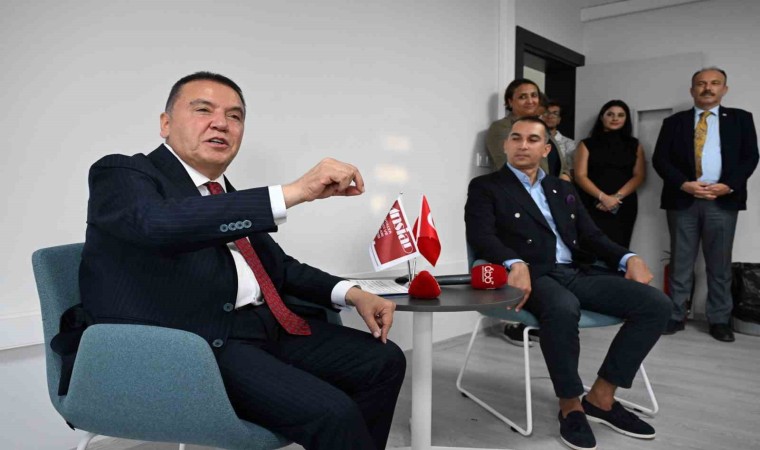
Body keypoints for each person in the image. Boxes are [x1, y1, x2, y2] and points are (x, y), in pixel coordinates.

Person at [77, 72, 406, 450]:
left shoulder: (222, 194)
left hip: (266, 327)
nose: (221, 123)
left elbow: (278, 268)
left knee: (384, 361)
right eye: (203, 110)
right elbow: (159, 224)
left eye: (234, 116)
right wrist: (295, 192)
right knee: (333, 412)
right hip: (196, 344)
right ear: (165, 124)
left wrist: (352, 293)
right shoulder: (121, 174)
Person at [466, 117, 670, 450]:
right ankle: (570, 406)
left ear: (546, 149)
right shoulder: (486, 187)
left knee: (656, 304)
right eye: (516, 138)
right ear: (505, 145)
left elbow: (591, 236)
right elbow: (481, 236)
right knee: (563, 308)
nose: (522, 145)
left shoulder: (562, 189)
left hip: (575, 272)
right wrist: (513, 262)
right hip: (532, 275)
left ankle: (601, 398)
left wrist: (628, 257)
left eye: (533, 139)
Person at [653, 67, 759, 342]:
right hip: (683, 199)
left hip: (722, 200)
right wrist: (683, 184)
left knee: (719, 264)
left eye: (715, 83)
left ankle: (719, 319)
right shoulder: (674, 122)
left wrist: (729, 185)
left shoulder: (741, 119)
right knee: (681, 262)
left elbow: (750, 157)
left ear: (724, 89)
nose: (708, 88)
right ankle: (675, 314)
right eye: (701, 84)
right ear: (692, 90)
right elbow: (660, 159)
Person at [574, 100, 646, 248]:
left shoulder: (634, 144)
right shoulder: (586, 144)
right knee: (591, 246)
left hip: (623, 203)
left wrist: (615, 198)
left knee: (620, 247)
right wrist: (603, 197)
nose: (615, 118)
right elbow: (580, 175)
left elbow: (639, 175)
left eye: (620, 115)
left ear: (626, 119)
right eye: (610, 114)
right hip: (592, 201)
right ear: (602, 117)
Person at [485, 78, 570, 180]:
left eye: (534, 95)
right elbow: (511, 167)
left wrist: (563, 184)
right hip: (518, 188)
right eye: (523, 97)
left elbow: (562, 167)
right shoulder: (501, 127)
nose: (530, 101)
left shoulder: (541, 127)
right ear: (510, 102)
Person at [543, 101, 578, 174]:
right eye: (546, 112)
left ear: (559, 119)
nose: (550, 116)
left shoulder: (569, 144)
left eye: (555, 113)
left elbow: (572, 169)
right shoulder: (531, 140)